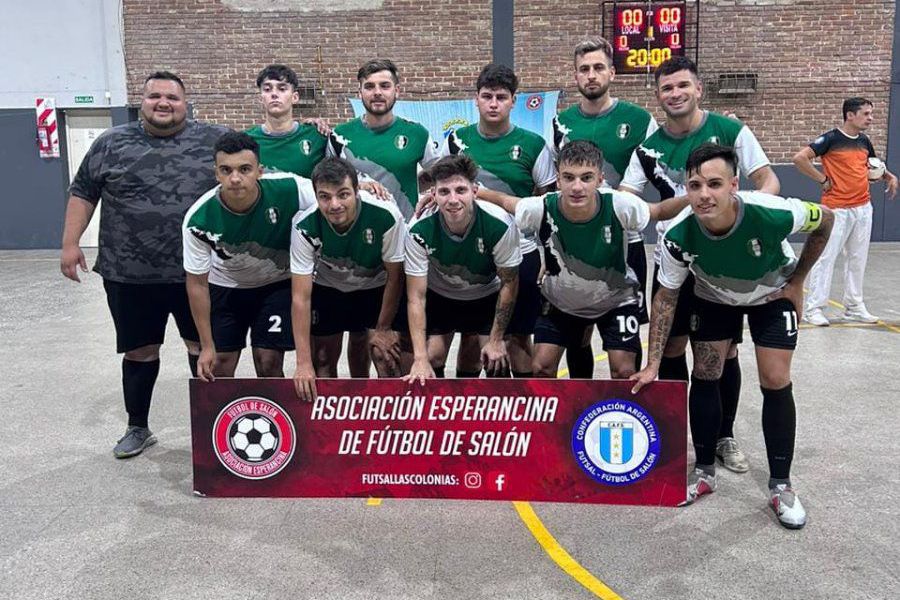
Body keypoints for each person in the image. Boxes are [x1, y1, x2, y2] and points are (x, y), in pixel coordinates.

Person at [631, 144, 834, 529]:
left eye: (714, 184)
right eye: (695, 185)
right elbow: (666, 296)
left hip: (771, 296)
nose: (704, 194)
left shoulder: (771, 212)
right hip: (714, 298)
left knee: (775, 380)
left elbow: (826, 218)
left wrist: (798, 281)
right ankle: (704, 472)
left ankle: (781, 485)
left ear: (733, 185)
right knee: (706, 375)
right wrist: (654, 362)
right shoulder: (677, 235)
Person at [620, 55, 780, 474]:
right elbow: (629, 201)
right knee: (670, 347)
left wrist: (751, 217)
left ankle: (723, 435)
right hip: (675, 260)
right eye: (667, 88)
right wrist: (677, 208)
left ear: (699, 89)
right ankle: (677, 434)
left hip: (724, 260)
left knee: (722, 355)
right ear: (658, 96)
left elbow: (768, 181)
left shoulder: (730, 130)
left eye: (682, 86)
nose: (675, 94)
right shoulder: (649, 147)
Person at [60, 71, 230, 458]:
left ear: (186, 103)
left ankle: (214, 428)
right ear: (142, 101)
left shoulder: (215, 140)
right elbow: (83, 192)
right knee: (139, 351)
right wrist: (70, 243)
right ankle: (137, 427)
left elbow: (255, 176)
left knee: (203, 348)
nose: (163, 103)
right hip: (129, 273)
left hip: (199, 272)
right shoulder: (111, 143)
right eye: (155, 96)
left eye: (172, 96)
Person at [479, 141, 687, 379]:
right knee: (541, 368)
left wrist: (694, 198)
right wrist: (480, 192)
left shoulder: (619, 204)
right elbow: (507, 202)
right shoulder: (541, 208)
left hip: (615, 300)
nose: (577, 186)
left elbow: (659, 211)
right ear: (558, 180)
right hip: (561, 300)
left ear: (600, 179)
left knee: (624, 371)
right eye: (569, 177)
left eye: (586, 178)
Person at [441, 63, 556, 378]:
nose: (493, 103)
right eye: (487, 96)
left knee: (518, 337)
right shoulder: (456, 141)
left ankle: (519, 415)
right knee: (471, 336)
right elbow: (444, 190)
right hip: (473, 253)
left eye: (501, 97)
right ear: (476, 100)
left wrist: (549, 254)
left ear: (513, 101)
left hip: (521, 250)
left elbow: (546, 205)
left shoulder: (534, 145)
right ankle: (473, 412)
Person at [553, 37, 659, 375]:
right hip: (576, 242)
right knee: (578, 335)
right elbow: (555, 183)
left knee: (623, 353)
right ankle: (582, 409)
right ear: (575, 77)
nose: (591, 75)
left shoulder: (640, 120)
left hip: (625, 244)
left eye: (598, 67)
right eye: (584, 69)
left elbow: (658, 176)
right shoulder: (561, 123)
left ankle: (628, 411)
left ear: (612, 72)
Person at [329, 59, 441, 375]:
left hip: (401, 245)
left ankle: (397, 405)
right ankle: (361, 399)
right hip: (355, 249)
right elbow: (327, 180)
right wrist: (357, 183)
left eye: (384, 86)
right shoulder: (340, 136)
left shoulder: (416, 133)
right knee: (360, 332)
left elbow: (436, 174)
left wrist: (432, 192)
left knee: (397, 336)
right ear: (360, 92)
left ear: (396, 90)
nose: (377, 93)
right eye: (370, 87)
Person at [183, 131, 317, 382]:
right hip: (226, 286)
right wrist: (206, 345)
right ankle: (225, 421)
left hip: (276, 285)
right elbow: (197, 284)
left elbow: (330, 195)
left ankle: (276, 421)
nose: (235, 178)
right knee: (220, 366)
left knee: (269, 361)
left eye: (245, 169)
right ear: (216, 173)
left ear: (260, 171)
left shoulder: (290, 188)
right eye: (226, 170)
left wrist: (360, 186)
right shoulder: (198, 218)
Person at [291, 158, 406, 401]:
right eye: (324, 197)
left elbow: (396, 277)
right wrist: (302, 363)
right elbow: (300, 296)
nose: (334, 205)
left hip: (376, 285)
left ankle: (391, 423)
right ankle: (331, 425)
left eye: (343, 195)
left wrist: (384, 328)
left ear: (357, 190)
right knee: (321, 358)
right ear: (316, 196)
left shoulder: (386, 215)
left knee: (386, 356)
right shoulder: (304, 225)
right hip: (328, 286)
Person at [404, 155, 521, 383]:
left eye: (460, 190)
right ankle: (438, 413)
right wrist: (419, 358)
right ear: (433, 194)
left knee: (495, 360)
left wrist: (496, 340)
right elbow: (416, 297)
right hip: (442, 295)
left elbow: (509, 282)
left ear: (474, 191)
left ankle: (487, 413)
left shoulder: (499, 224)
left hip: (486, 294)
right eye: (444, 192)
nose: (453, 199)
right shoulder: (418, 229)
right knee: (432, 357)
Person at [793, 97, 898, 325]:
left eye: (871, 113)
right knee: (825, 258)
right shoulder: (830, 139)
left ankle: (854, 307)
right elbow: (800, 158)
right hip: (836, 210)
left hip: (862, 209)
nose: (870, 118)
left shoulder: (864, 141)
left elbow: (873, 164)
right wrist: (822, 179)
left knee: (857, 259)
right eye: (866, 113)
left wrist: (889, 176)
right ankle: (814, 309)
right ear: (850, 115)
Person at [245, 64, 329, 178]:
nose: (274, 94)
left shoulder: (317, 136)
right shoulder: (246, 141)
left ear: (295, 97)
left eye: (282, 89)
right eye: (267, 89)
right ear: (261, 98)